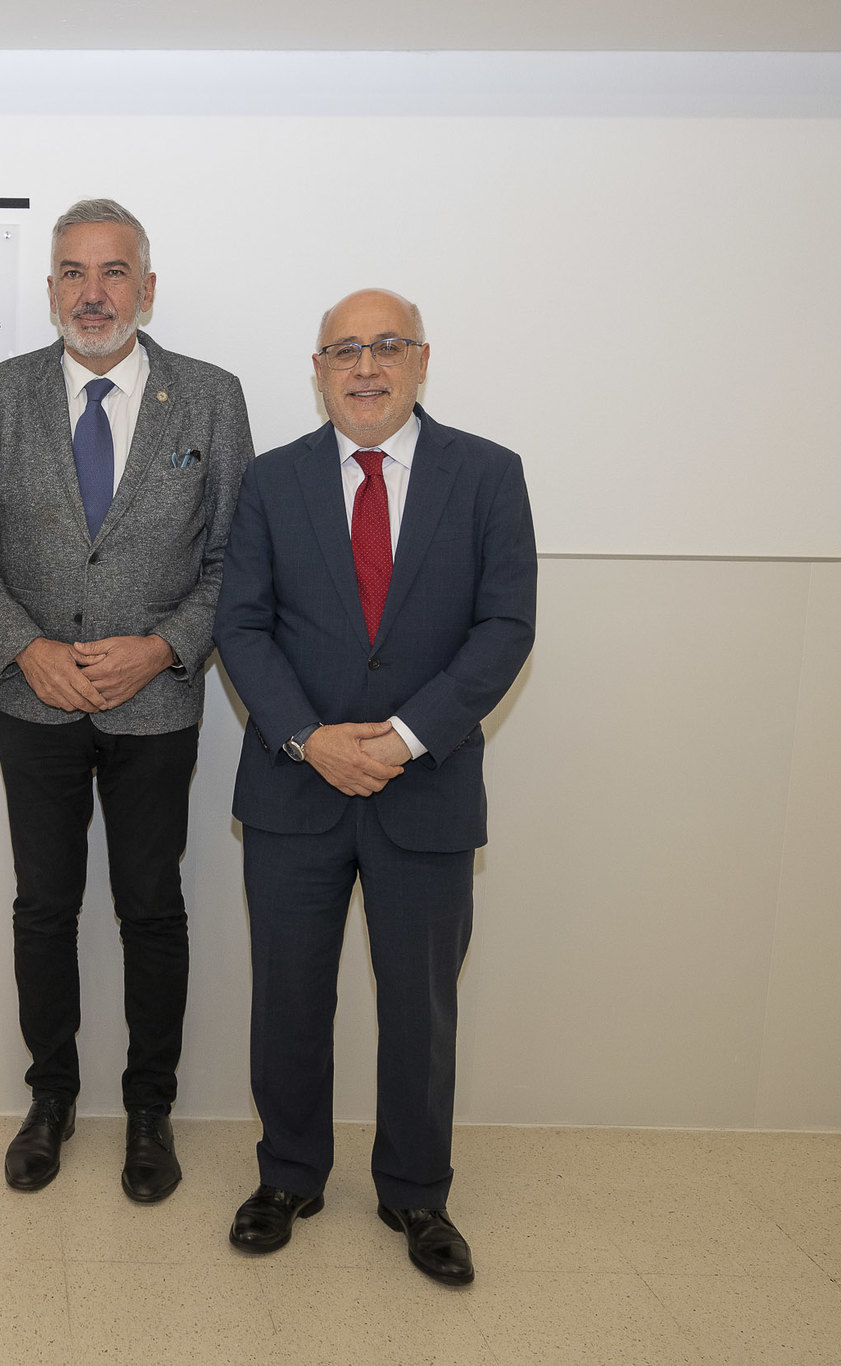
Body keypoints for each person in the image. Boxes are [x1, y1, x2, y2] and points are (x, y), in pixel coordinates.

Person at [213, 289, 537, 1285]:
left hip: (425, 790)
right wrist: (310, 740)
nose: (365, 367)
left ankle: (416, 1192)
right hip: (294, 789)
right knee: (288, 998)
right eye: (343, 350)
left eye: (386, 346)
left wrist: (400, 739)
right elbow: (240, 626)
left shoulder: (487, 474)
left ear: (421, 360)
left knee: (420, 1010)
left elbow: (505, 628)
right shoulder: (270, 481)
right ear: (317, 371)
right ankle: (288, 1176)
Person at [0, 199, 252, 1202]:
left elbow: (236, 560)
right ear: (50, 289)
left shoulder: (210, 397)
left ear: (146, 288)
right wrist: (25, 651)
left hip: (156, 709)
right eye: (72, 272)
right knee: (44, 908)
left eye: (113, 272)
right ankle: (51, 1099)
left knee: (151, 909)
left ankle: (150, 1111)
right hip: (36, 709)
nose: (93, 293)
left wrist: (162, 649)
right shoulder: (4, 394)